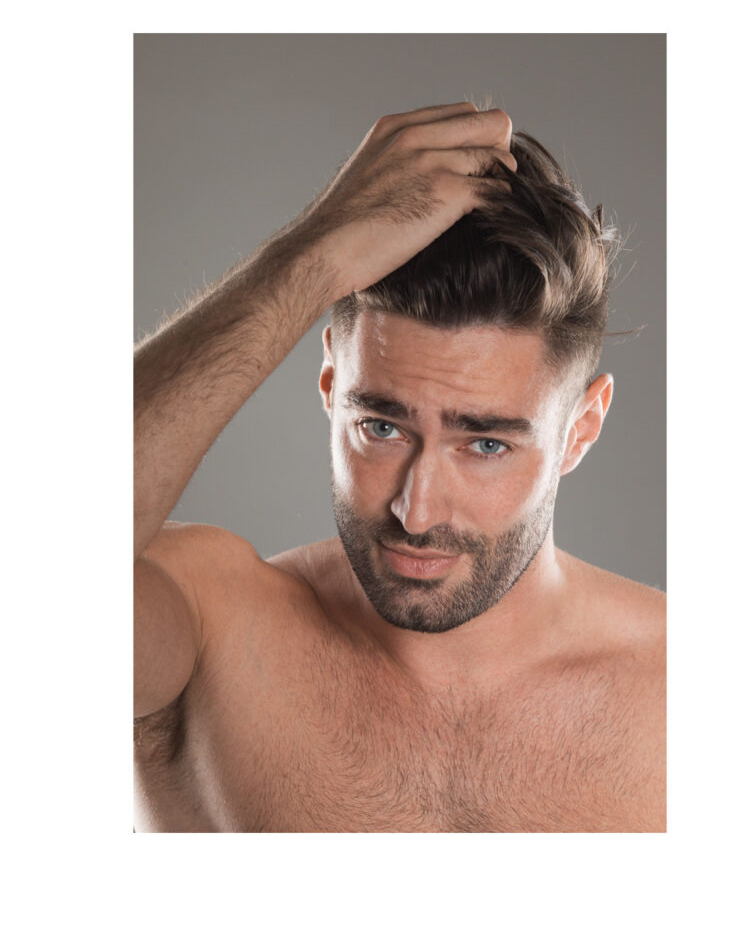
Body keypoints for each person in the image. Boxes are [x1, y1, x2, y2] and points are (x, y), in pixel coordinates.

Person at [134, 101, 665, 832]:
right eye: (382, 427)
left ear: (581, 429)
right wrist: (308, 262)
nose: (415, 512)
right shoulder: (207, 633)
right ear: (330, 384)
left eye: (485, 445)